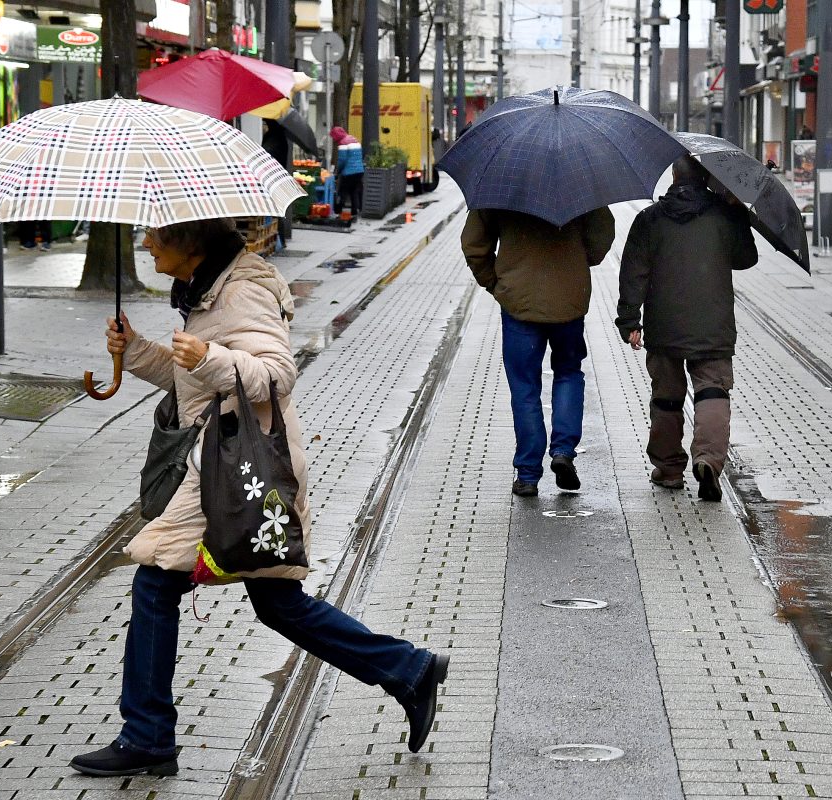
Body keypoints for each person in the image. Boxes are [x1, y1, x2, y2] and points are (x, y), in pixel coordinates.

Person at [69, 218, 449, 778]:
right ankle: (409, 669)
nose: (145, 243)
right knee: (277, 605)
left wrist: (207, 358)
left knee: (155, 582)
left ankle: (147, 736)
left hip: (235, 471)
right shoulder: (207, 291)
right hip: (227, 467)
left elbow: (275, 375)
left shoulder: (241, 290)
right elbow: (194, 382)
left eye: (155, 235)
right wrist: (142, 351)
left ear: (191, 240)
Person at [614, 155, 758, 502]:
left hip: (665, 325)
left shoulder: (649, 219)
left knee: (667, 397)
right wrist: (738, 212)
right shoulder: (724, 215)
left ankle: (668, 469)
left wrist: (630, 320)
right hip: (713, 325)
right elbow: (746, 258)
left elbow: (634, 272)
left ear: (674, 178)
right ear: (707, 182)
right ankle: (708, 460)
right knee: (712, 391)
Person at [461, 207, 616, 497]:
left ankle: (528, 474)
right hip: (569, 297)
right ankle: (563, 451)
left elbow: (474, 244)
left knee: (524, 388)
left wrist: (496, 284)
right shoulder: (580, 177)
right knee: (569, 372)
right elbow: (602, 232)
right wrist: (582, 258)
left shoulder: (500, 182)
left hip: (519, 301)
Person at [330, 126, 363, 218]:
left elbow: (342, 160)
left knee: (342, 191)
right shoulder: (354, 139)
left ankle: (338, 210)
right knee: (354, 191)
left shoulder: (343, 143)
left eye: (334, 137)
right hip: (359, 171)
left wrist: (338, 171)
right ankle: (354, 211)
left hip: (349, 172)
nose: (334, 139)